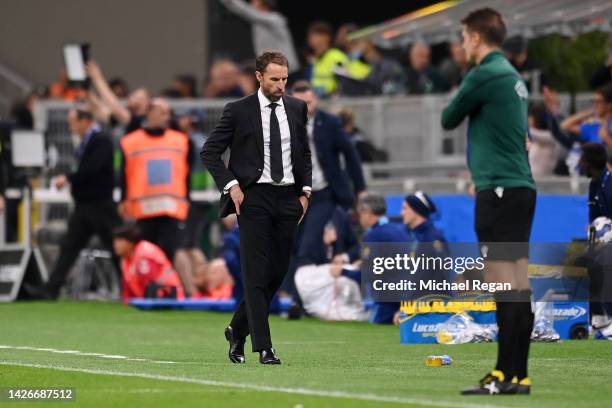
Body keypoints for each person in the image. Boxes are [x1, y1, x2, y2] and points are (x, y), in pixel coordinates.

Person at [441, 8, 536, 395]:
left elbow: (449, 117)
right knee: (518, 283)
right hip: (519, 189)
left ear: (477, 37)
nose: (462, 43)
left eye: (464, 36)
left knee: (505, 286)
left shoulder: (484, 74)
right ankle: (517, 375)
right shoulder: (514, 77)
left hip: (498, 190)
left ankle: (503, 375)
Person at [201, 51, 311, 365]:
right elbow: (209, 152)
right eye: (275, 79)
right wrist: (231, 185)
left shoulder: (297, 108)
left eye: (285, 79)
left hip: (289, 198)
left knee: (277, 272)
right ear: (259, 76)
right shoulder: (238, 110)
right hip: (253, 198)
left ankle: (237, 329)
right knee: (255, 274)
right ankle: (264, 347)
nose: (281, 85)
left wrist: (305, 191)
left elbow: (303, 154)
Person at [288, 80, 366, 295]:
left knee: (308, 245)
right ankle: (302, 295)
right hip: (295, 194)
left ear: (316, 101)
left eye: (309, 101)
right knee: (292, 244)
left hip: (323, 193)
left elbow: (350, 154)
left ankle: (299, 299)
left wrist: (360, 188)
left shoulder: (329, 123)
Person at [34, 107, 119, 299]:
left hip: (100, 205)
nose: (71, 127)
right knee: (69, 247)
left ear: (85, 120)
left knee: (115, 247)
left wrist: (69, 178)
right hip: (84, 205)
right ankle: (50, 290)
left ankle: (129, 287)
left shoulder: (101, 140)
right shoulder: (87, 141)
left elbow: (94, 168)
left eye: (73, 122)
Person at [119, 98, 192, 262]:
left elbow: (186, 174)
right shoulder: (131, 142)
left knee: (170, 254)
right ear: (149, 113)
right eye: (162, 113)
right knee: (144, 255)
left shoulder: (181, 140)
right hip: (144, 211)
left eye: (168, 113)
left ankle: (168, 287)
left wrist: (187, 199)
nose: (167, 117)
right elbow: (123, 174)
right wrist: (122, 199)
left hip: (171, 210)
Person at [294, 207, 363, 321]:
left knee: (350, 271)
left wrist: (344, 257)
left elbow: (356, 247)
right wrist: (324, 243)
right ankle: (299, 304)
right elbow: (298, 249)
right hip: (313, 272)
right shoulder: (306, 214)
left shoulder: (340, 215)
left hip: (336, 273)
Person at [356, 193, 411, 324]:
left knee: (374, 323)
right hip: (407, 294)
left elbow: (368, 274)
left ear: (367, 212)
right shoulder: (398, 230)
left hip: (388, 300)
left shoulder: (374, 235)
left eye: (360, 214)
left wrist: (343, 272)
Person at [219, 0, 299, 74]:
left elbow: (247, 12)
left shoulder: (275, 19)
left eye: (255, 0)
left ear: (264, 3)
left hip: (288, 71)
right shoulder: (257, 24)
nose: (251, 3)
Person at [113, 224, 185, 304]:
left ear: (130, 242)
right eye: (115, 241)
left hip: (168, 298)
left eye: (120, 240)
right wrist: (126, 301)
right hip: (149, 299)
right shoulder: (125, 258)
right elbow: (127, 284)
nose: (116, 245)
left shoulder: (144, 254)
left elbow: (150, 284)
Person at [307, 21, 349, 97]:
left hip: (333, 102)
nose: (311, 39)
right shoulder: (314, 60)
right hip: (316, 100)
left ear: (326, 37)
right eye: (310, 36)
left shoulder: (336, 56)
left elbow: (344, 83)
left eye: (315, 36)